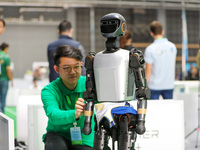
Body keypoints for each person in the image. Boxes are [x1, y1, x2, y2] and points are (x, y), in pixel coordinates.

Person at [41, 45, 95, 150]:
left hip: (84, 136)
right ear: (56, 69)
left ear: (81, 65)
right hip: (57, 136)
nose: (72, 72)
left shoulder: (91, 85)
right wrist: (75, 114)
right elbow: (53, 115)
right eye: (66, 68)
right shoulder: (49, 90)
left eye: (76, 66)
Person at [144, 21, 177, 99]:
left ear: (151, 33)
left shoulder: (150, 49)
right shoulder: (172, 47)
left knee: (154, 110)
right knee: (169, 110)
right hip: (169, 84)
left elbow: (148, 71)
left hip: (154, 86)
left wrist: (145, 86)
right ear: (163, 31)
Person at [0, 42, 13, 113]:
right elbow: (8, 70)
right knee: (3, 96)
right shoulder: (6, 57)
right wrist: (11, 80)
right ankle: (1, 114)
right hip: (4, 79)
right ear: (5, 48)